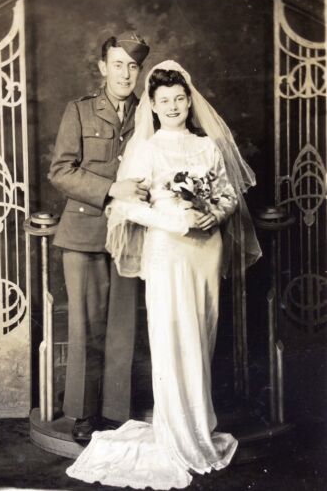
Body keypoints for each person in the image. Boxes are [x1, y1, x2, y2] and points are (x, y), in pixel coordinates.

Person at [66, 61, 262, 489]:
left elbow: (228, 193)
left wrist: (214, 212)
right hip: (167, 248)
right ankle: (176, 432)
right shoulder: (146, 148)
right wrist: (172, 220)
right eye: (163, 101)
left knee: (203, 333)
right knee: (173, 337)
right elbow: (124, 207)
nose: (172, 106)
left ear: (189, 100)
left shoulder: (207, 145)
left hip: (205, 251)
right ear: (152, 106)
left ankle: (198, 424)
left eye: (179, 99)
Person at [48, 32, 150, 443]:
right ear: (103, 67)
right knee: (86, 327)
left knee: (124, 328)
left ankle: (114, 412)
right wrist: (112, 190)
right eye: (118, 64)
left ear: (139, 71)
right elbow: (61, 171)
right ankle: (85, 413)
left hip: (130, 235)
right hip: (84, 233)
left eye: (133, 65)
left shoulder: (151, 114)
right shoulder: (80, 111)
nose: (125, 73)